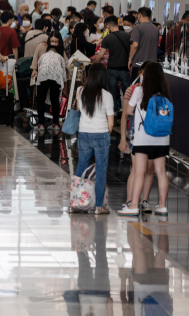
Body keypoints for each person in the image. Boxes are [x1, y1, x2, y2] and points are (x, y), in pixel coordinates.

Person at [118, 63, 171, 217]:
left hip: (143, 138)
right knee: (160, 172)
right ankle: (162, 206)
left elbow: (129, 111)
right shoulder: (165, 93)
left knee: (139, 171)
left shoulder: (140, 90)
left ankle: (134, 205)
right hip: (162, 139)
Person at [71, 63, 114, 215]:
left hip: (84, 134)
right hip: (101, 134)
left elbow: (78, 111)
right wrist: (106, 136)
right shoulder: (107, 96)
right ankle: (99, 207)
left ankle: (76, 202)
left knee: (81, 165)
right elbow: (111, 123)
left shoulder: (80, 91)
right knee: (101, 170)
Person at [118, 61, 155, 214]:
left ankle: (144, 200)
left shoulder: (157, 90)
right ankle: (130, 200)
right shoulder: (132, 89)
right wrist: (122, 138)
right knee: (137, 168)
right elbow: (125, 114)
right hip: (136, 131)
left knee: (149, 169)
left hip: (153, 133)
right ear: (140, 73)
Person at [93, 15, 131, 113]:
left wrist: (93, 65)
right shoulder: (128, 36)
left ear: (108, 25)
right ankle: (127, 112)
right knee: (127, 91)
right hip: (125, 68)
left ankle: (112, 113)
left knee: (111, 93)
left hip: (112, 69)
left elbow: (101, 55)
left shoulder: (107, 38)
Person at [32, 33, 67, 132]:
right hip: (56, 78)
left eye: (56, 42)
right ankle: (55, 124)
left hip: (43, 77)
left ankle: (41, 124)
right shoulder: (59, 56)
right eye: (52, 41)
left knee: (40, 100)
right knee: (55, 100)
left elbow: (39, 65)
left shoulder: (43, 56)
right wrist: (63, 83)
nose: (54, 43)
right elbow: (63, 71)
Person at [128, 7, 159, 82]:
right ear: (150, 16)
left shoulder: (138, 27)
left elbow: (135, 46)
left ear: (140, 15)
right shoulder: (156, 29)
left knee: (137, 88)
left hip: (139, 64)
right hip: (152, 65)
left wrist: (130, 59)